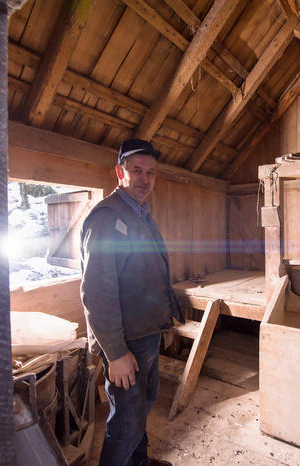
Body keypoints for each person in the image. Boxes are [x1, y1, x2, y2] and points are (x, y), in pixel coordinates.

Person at [80, 138, 183, 466]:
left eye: (150, 172)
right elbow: (96, 292)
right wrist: (116, 352)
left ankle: (138, 462)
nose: (144, 178)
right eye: (136, 170)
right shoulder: (107, 218)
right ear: (119, 172)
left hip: (144, 333)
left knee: (143, 405)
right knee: (125, 419)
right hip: (126, 342)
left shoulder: (139, 214)